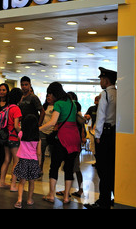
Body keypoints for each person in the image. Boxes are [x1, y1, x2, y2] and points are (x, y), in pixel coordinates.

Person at [39, 82, 80, 204]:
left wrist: (38, 129)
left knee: (54, 167)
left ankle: (51, 195)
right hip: (74, 138)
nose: (49, 96)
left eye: (50, 94)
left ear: (54, 93)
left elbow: (52, 122)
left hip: (62, 138)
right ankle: (66, 197)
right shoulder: (73, 103)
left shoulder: (58, 104)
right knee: (69, 168)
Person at [85, 67, 117, 209]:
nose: (100, 82)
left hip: (104, 134)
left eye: (101, 79)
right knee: (111, 168)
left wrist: (97, 135)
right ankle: (114, 198)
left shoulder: (105, 94)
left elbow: (101, 115)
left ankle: (103, 201)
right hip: (114, 133)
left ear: (106, 80)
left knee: (103, 169)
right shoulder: (118, 93)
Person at [13, 114, 42, 208]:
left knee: (22, 181)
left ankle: (19, 200)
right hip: (33, 161)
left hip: (23, 160)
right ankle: (29, 199)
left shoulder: (21, 134)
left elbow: (19, 139)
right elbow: (39, 153)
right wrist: (39, 163)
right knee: (31, 182)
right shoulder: (38, 138)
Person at [0, 88, 23, 191]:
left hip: (5, 137)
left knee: (6, 160)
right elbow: (16, 125)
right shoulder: (16, 109)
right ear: (19, 98)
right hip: (13, 137)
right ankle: (13, 185)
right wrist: (21, 132)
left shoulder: (7, 108)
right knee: (16, 161)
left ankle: (1, 182)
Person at [39, 93, 55, 175]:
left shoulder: (56, 107)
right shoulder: (44, 107)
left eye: (50, 96)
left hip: (52, 132)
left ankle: (52, 170)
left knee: (53, 153)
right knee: (41, 152)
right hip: (42, 131)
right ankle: (40, 169)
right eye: (47, 96)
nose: (49, 98)